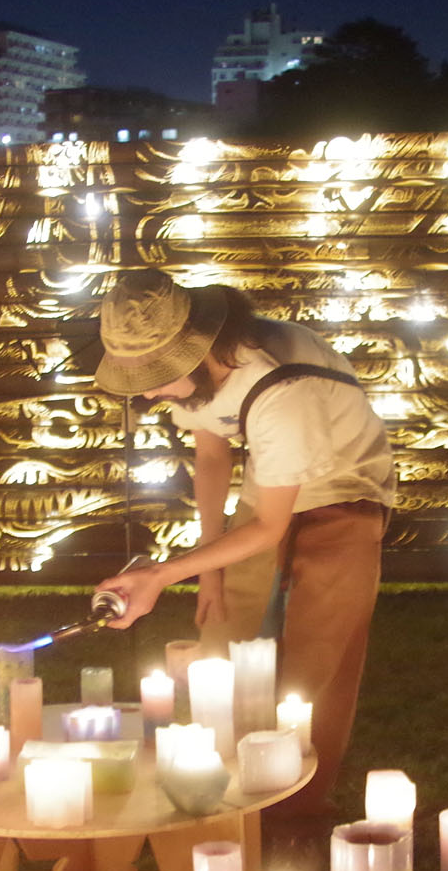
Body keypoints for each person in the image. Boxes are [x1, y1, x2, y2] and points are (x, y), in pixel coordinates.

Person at [91, 269, 395, 829]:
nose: (149, 393)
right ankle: (216, 774)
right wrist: (206, 570)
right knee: (224, 625)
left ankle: (298, 805)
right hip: (274, 480)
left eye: (155, 378)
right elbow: (213, 456)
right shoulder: (205, 370)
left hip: (347, 486)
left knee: (318, 655)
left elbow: (270, 528)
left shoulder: (281, 386)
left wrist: (161, 576)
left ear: (199, 350)